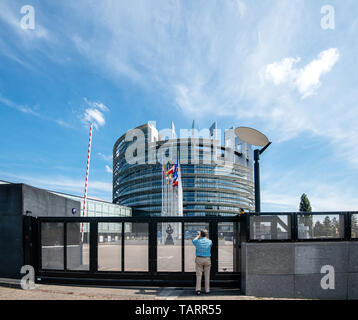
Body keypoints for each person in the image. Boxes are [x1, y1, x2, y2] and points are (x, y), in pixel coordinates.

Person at [192, 229, 212, 295]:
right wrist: (204, 235)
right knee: (207, 275)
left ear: (201, 234)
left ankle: (198, 290)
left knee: (199, 275)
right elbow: (210, 244)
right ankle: (207, 290)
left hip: (199, 259)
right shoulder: (209, 241)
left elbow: (193, 240)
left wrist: (198, 235)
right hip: (207, 259)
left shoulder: (197, 241)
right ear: (206, 234)